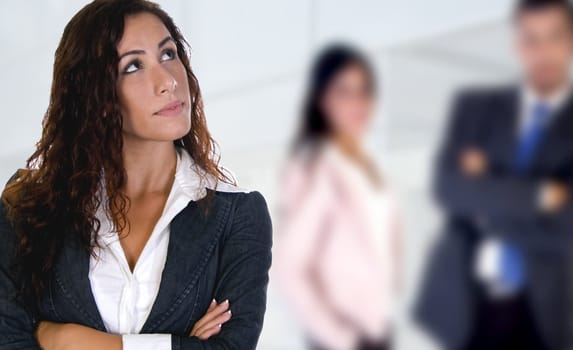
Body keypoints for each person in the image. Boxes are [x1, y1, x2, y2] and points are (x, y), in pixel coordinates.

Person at [0, 1, 272, 349]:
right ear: (95, 96)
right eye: (133, 66)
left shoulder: (238, 216)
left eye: (168, 54)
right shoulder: (28, 205)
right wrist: (177, 343)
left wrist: (64, 338)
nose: (168, 82)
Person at [415, 0, 573, 349]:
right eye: (531, 39)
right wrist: (540, 196)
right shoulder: (475, 108)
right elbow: (447, 190)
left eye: (554, 37)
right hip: (467, 305)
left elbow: (566, 228)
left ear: (571, 41)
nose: (542, 51)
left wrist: (486, 193)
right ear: (517, 45)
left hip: (544, 312)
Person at [273, 43, 401, 350]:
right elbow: (290, 268)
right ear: (322, 100)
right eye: (344, 91)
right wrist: (341, 338)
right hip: (342, 337)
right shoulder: (315, 168)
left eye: (363, 91)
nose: (357, 102)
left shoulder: (368, 163)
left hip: (378, 328)